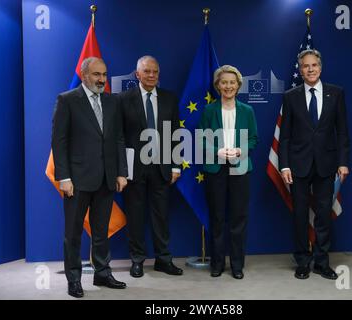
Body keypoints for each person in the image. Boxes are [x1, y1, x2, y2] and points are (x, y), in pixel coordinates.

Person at [52, 57, 128, 298]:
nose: (102, 80)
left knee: (100, 230)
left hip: (106, 178)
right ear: (84, 75)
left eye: (104, 75)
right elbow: (59, 141)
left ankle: (102, 273)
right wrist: (63, 177)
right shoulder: (67, 100)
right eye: (97, 75)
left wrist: (121, 172)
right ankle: (73, 279)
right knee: (73, 232)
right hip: (76, 180)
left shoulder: (112, 101)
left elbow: (118, 138)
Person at [279, 49, 350, 280]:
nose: (310, 69)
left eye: (314, 65)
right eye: (305, 66)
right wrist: (285, 165)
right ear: (300, 70)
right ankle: (302, 261)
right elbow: (286, 136)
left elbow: (342, 133)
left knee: (322, 215)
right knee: (300, 215)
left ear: (321, 67)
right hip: (298, 165)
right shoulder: (291, 96)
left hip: (327, 165)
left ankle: (321, 262)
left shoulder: (336, 94)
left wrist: (343, 162)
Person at [118, 55, 183, 278]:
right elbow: (119, 137)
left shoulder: (169, 99)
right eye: (147, 71)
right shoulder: (123, 99)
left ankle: (163, 260)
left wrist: (176, 165)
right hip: (134, 169)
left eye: (155, 71)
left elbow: (175, 134)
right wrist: (121, 170)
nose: (152, 75)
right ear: (137, 74)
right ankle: (137, 260)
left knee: (161, 216)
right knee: (135, 216)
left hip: (162, 167)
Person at [198, 65, 258, 279]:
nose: (228, 86)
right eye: (224, 82)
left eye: (232, 82)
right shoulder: (209, 110)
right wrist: (218, 151)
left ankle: (237, 265)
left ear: (238, 85)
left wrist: (241, 150)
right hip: (216, 169)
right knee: (217, 218)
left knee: (238, 218)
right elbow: (201, 139)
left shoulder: (247, 111)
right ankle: (217, 263)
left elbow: (253, 138)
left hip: (240, 168)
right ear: (217, 85)